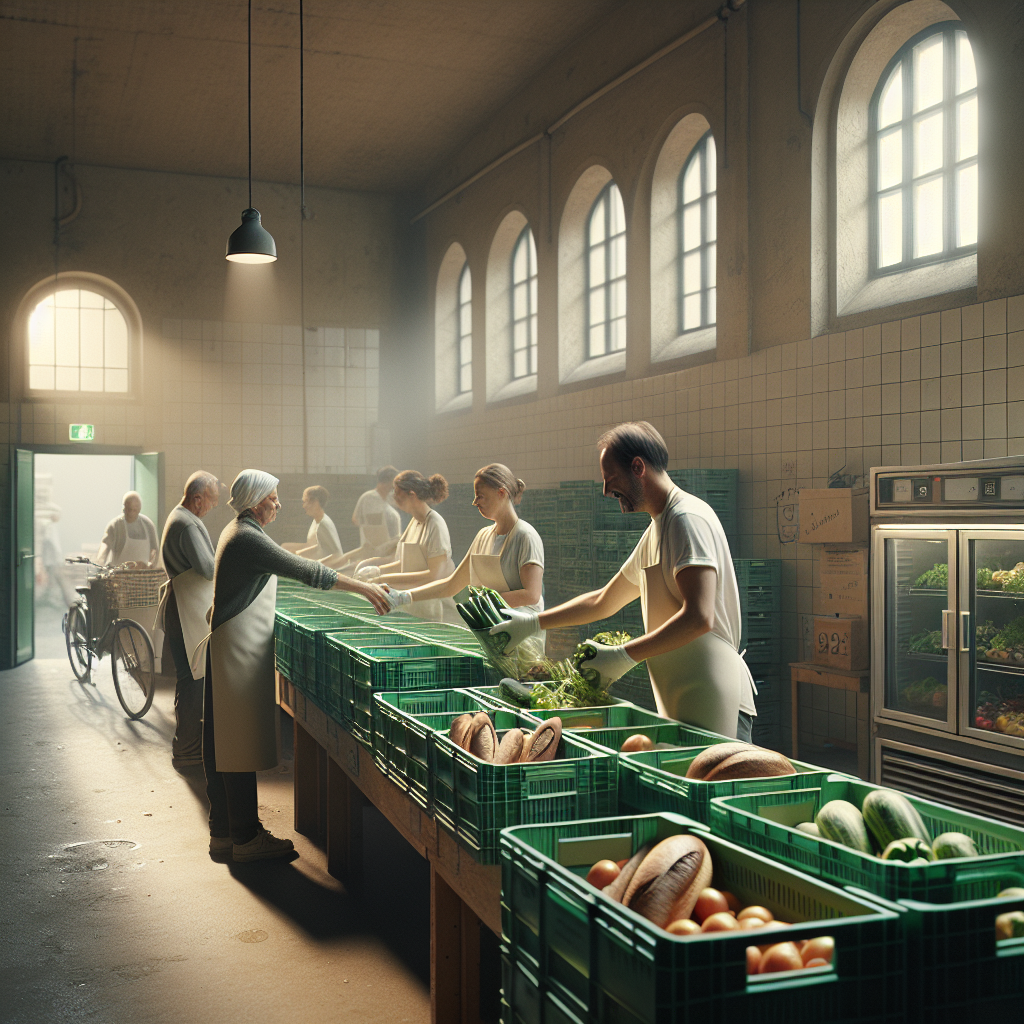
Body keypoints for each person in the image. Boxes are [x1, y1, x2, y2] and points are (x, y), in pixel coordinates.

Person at [491, 422, 757, 740]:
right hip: (686, 694)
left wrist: (622, 656)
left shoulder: (687, 521)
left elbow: (699, 618)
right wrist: (533, 622)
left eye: (610, 478)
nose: (605, 491)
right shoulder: (659, 529)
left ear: (638, 467)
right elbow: (604, 600)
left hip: (717, 695)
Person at [197, 469, 389, 863]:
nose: (279, 503)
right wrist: (364, 587)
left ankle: (224, 834)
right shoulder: (248, 537)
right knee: (236, 747)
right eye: (273, 497)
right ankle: (246, 838)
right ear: (254, 500)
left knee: (224, 744)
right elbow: (308, 571)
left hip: (229, 646)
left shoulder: (234, 530)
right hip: (236, 652)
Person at [381, 464, 545, 648]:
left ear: (501, 493)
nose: (475, 502)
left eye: (480, 496)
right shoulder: (483, 536)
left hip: (522, 638)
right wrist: (404, 596)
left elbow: (531, 594)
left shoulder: (525, 536)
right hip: (491, 630)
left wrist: (482, 605)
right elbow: (452, 584)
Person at [157, 471, 220, 770]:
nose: (212, 507)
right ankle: (186, 752)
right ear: (198, 498)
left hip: (183, 607)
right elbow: (208, 568)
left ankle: (187, 748)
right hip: (184, 610)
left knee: (191, 679)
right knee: (192, 681)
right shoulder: (187, 524)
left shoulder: (182, 517)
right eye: (212, 501)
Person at [359, 470, 456, 622]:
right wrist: (376, 570)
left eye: (398, 493)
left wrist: (381, 578)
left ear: (412, 494)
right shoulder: (414, 522)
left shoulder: (435, 524)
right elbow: (403, 564)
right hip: (410, 607)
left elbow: (434, 575)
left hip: (430, 608)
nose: (394, 497)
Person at [323, 466, 402, 571]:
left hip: (391, 547)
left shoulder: (391, 498)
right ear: (388, 482)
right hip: (376, 547)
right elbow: (357, 520)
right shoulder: (369, 498)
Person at [97, 491, 159, 568]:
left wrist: (151, 565)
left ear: (139, 509)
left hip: (143, 576)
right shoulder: (115, 525)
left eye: (135, 510)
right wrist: (100, 564)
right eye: (129, 509)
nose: (131, 513)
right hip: (119, 575)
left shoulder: (148, 525)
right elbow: (105, 547)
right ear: (124, 508)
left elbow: (155, 550)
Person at [282, 486, 343, 560]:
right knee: (284, 547)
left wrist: (297, 554)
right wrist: (297, 553)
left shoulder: (323, 524)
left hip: (323, 566)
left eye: (305, 501)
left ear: (315, 502)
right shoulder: (317, 521)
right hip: (317, 563)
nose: (304, 506)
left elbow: (335, 554)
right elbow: (318, 546)